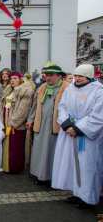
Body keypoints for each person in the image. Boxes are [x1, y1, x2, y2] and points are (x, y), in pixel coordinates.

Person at [52, 64, 103, 209]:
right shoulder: (70, 88)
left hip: (86, 137)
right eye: (76, 76)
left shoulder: (98, 91)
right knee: (72, 165)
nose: (77, 78)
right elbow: (62, 107)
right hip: (69, 132)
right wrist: (67, 124)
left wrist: (78, 128)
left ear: (89, 76)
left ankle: (88, 198)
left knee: (87, 167)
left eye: (81, 76)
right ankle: (76, 192)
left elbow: (98, 115)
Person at [26, 63, 68, 184]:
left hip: (55, 125)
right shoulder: (42, 87)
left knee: (52, 151)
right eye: (46, 75)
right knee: (39, 150)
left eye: (51, 75)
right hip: (41, 123)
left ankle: (51, 178)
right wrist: (30, 119)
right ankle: (38, 175)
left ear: (59, 76)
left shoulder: (66, 88)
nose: (48, 78)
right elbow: (35, 106)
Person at [0, 72, 34, 173]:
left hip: (16, 125)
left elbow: (23, 110)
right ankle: (6, 167)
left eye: (15, 78)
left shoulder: (25, 91)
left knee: (15, 147)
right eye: (11, 79)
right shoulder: (8, 91)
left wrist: (13, 122)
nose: (12, 80)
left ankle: (15, 168)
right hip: (6, 121)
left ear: (20, 80)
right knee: (7, 145)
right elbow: (2, 106)